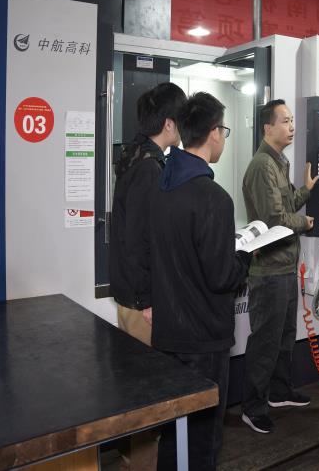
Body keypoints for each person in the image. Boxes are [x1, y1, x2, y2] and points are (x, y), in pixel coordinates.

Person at [149, 92, 252, 470]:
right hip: (204, 340)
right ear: (213, 132)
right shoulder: (214, 198)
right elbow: (222, 275)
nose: (224, 137)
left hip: (167, 334)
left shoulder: (161, 186)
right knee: (203, 439)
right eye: (224, 130)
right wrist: (244, 257)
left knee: (172, 435)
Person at [240, 99, 318, 434]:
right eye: (285, 121)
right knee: (265, 343)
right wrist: (305, 222)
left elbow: (284, 206)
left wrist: (306, 191)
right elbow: (275, 219)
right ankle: (253, 407)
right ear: (267, 127)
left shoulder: (278, 163)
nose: (292, 126)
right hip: (269, 272)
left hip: (285, 267)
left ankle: (279, 391)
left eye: (292, 120)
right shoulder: (262, 166)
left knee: (285, 336)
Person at [109, 82, 186, 346]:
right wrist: (147, 300)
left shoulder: (136, 155)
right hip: (140, 301)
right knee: (145, 368)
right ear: (169, 124)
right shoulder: (148, 168)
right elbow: (138, 239)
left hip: (131, 293)